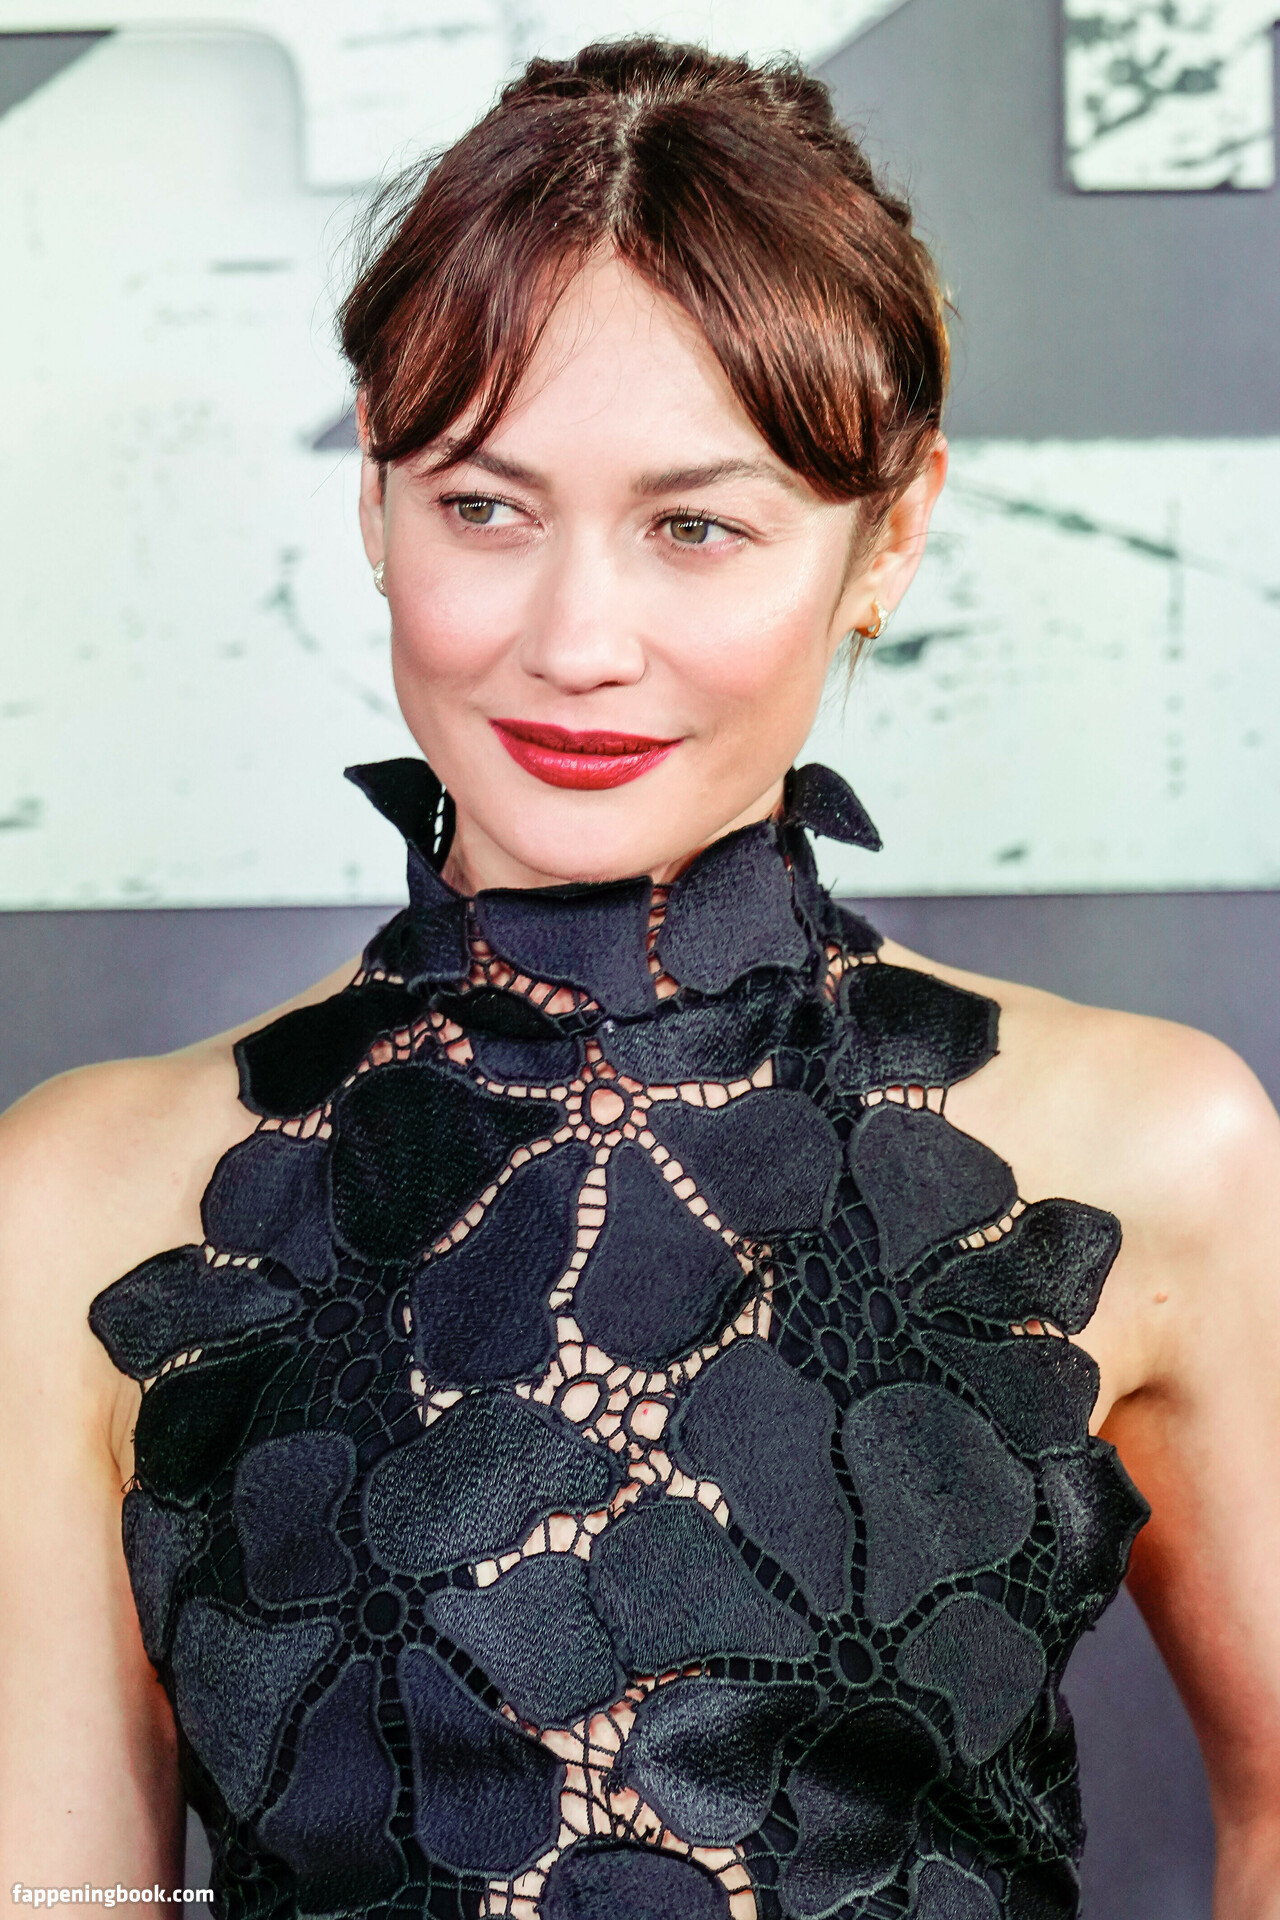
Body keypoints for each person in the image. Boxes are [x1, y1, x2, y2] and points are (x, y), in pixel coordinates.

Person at [1, 37, 1277, 1920]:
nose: (577, 640)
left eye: (696, 526)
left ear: (890, 534)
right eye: (484, 506)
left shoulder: (1156, 1148)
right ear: (374, 504)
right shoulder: (82, 1197)